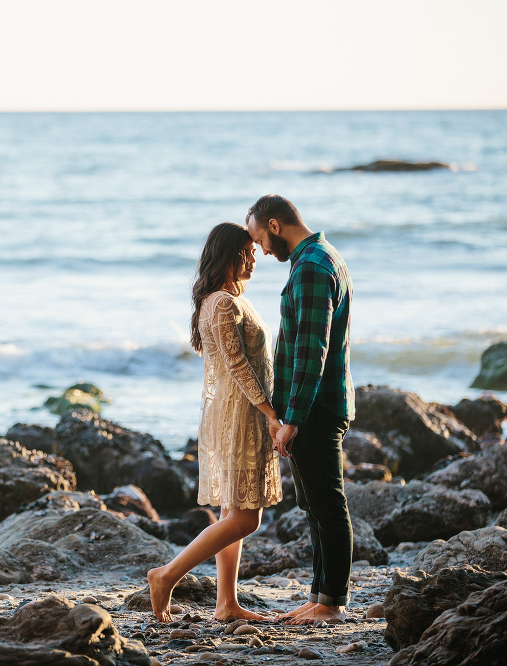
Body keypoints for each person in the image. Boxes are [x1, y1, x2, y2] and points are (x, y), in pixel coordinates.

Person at [147, 222, 283, 623]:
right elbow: (238, 366)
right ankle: (166, 575)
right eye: (248, 252)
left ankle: (226, 603)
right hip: (242, 415)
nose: (255, 258)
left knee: (232, 511)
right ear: (229, 256)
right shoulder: (223, 303)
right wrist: (271, 414)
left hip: (237, 413)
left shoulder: (223, 300)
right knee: (246, 517)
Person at [246, 194, 355, 625]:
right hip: (315, 404)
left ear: (274, 225)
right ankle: (319, 595)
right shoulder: (317, 258)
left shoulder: (311, 266)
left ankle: (332, 603)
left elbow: (313, 351)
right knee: (313, 506)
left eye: (259, 239)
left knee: (327, 504)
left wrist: (292, 418)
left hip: (316, 407)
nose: (261, 250)